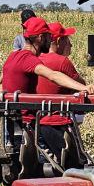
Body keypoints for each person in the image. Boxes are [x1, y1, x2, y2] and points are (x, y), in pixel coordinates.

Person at [0, 16, 94, 186]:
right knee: (36, 174)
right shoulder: (26, 58)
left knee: (16, 174)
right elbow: (52, 74)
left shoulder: (13, 56)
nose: (51, 39)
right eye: (48, 37)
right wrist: (85, 88)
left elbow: (1, 85)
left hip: (14, 123)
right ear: (40, 38)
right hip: (25, 126)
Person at [34, 22, 84, 157]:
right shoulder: (62, 62)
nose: (70, 45)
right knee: (75, 162)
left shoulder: (37, 59)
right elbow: (81, 85)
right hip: (59, 123)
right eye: (67, 40)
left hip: (38, 123)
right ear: (58, 40)